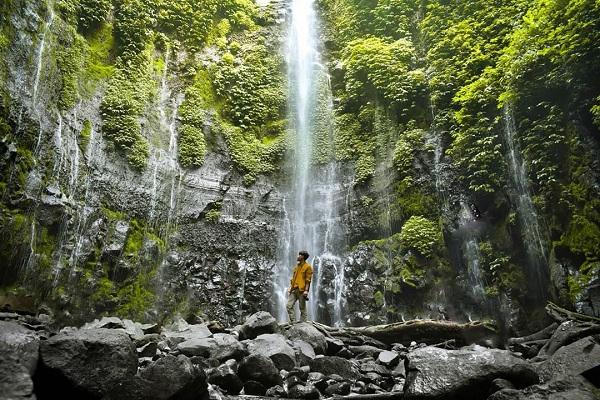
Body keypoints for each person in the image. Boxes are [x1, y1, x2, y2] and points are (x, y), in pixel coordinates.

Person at [286, 250, 313, 323]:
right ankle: (293, 322)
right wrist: (291, 288)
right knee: (289, 306)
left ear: (303, 257)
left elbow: (308, 280)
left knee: (302, 308)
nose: (297, 256)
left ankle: (303, 324)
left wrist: (306, 291)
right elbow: (294, 278)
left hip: (302, 290)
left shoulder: (308, 267)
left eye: (299, 255)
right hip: (294, 289)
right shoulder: (296, 267)